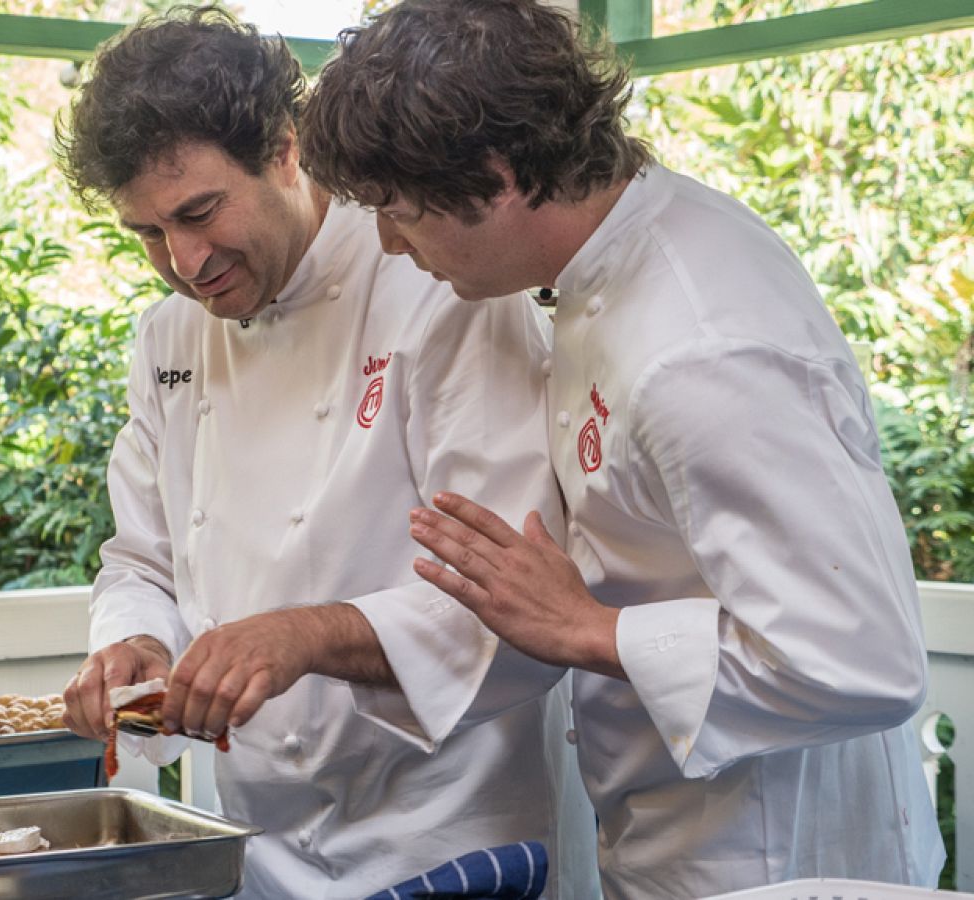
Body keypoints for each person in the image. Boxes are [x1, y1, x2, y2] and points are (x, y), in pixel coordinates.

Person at [298, 1, 944, 897]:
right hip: (672, 825)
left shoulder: (702, 345)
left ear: (496, 174)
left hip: (772, 856)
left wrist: (586, 629)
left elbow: (862, 662)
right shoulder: (618, 262)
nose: (388, 244)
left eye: (399, 211)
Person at [55, 8, 594, 897]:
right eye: (147, 234)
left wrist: (309, 634)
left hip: (444, 839)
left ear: (284, 150)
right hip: (252, 842)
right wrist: (133, 641)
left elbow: (521, 599)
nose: (185, 262)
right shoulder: (167, 340)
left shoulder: (440, 285)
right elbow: (141, 558)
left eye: (199, 212)